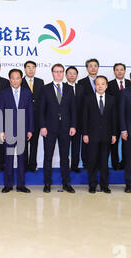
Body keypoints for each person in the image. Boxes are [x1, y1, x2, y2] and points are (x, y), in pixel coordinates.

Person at [39, 63, 76, 193]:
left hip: (65, 128)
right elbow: (41, 110)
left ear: (64, 73)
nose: (59, 74)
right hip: (49, 128)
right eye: (56, 71)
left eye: (61, 71)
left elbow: (73, 109)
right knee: (48, 156)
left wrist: (73, 126)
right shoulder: (45, 88)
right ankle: (47, 183)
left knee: (65, 157)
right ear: (52, 73)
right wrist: (42, 126)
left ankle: (66, 183)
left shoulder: (69, 88)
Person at [0, 69, 33, 193]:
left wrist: (30, 129)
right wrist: (1, 130)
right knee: (8, 159)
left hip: (23, 130)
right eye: (13, 78)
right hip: (8, 130)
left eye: (18, 78)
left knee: (21, 159)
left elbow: (30, 112)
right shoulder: (4, 93)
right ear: (9, 80)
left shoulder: (27, 93)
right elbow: (0, 112)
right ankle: (7, 185)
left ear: (21, 79)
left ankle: (21, 185)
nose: (15, 80)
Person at [82, 76, 117, 193]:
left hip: (107, 136)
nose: (100, 86)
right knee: (92, 161)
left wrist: (114, 134)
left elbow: (114, 119)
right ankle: (92, 184)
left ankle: (104, 185)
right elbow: (85, 117)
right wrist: (85, 133)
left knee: (104, 162)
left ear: (106, 86)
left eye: (103, 84)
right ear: (95, 86)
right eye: (98, 84)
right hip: (92, 135)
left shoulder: (112, 99)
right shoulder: (88, 99)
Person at [107, 63, 131, 170]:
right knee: (114, 142)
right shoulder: (109, 84)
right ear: (114, 71)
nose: (119, 71)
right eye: (117, 70)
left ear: (125, 71)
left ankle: (126, 163)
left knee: (128, 143)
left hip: (129, 119)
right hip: (114, 118)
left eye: (122, 69)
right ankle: (115, 164)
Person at [21, 61, 44, 172]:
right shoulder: (19, 81)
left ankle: (32, 165)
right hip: (22, 118)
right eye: (28, 67)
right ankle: (24, 165)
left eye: (33, 67)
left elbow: (43, 100)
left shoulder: (40, 82)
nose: (31, 70)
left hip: (36, 118)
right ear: (25, 69)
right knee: (23, 143)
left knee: (34, 143)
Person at [77, 58, 99, 169]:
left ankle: (97, 162)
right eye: (90, 66)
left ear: (98, 68)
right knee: (86, 140)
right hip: (86, 117)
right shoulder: (81, 83)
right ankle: (86, 162)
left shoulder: (102, 81)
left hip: (100, 118)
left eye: (95, 66)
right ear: (87, 68)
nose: (93, 68)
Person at [65, 66, 85, 173]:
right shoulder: (61, 88)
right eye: (69, 73)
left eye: (74, 73)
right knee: (65, 146)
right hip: (65, 122)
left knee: (76, 146)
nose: (72, 75)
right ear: (66, 75)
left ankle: (74, 166)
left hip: (78, 122)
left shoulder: (81, 88)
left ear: (77, 75)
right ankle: (65, 165)